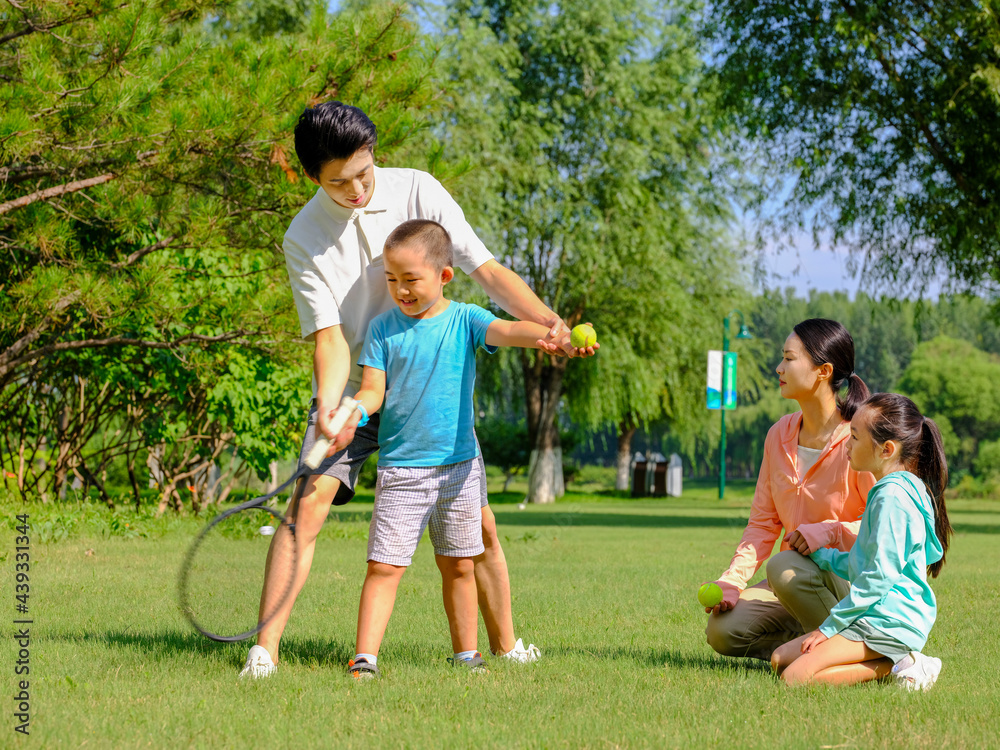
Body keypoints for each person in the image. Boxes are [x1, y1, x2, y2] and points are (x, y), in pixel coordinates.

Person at [241, 102, 595, 678]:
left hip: (431, 388)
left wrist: (552, 326)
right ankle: (264, 651)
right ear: (313, 178)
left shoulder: (419, 189)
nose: (357, 188)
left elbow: (486, 272)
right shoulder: (303, 236)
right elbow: (329, 339)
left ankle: (505, 646)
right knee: (305, 506)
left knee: (479, 529)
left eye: (365, 171)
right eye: (339, 182)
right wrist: (334, 409)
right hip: (359, 390)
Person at [331, 219, 575, 678]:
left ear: (444, 276)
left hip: (459, 469)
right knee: (384, 567)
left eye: (410, 280)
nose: (400, 290)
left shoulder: (466, 319)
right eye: (392, 280)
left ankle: (467, 654)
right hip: (402, 471)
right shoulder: (383, 330)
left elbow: (506, 330)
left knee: (460, 565)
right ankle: (364, 658)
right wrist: (354, 413)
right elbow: (372, 392)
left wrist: (547, 337)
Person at [704, 319, 876, 661]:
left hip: (851, 582)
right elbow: (763, 524)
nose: (779, 368)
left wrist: (828, 532)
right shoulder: (778, 435)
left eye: (788, 358)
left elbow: (883, 526)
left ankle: (862, 648)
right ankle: (810, 648)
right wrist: (732, 581)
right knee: (722, 632)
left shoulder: (859, 439)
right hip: (791, 582)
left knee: (783, 566)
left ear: (823, 370)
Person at [771, 393, 952, 689]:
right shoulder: (891, 490)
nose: (847, 444)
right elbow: (861, 563)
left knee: (794, 679)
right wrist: (820, 556)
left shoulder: (892, 497)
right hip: (878, 615)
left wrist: (829, 629)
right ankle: (896, 660)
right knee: (780, 658)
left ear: (887, 450)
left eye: (854, 436)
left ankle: (901, 663)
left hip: (890, 622)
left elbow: (878, 577)